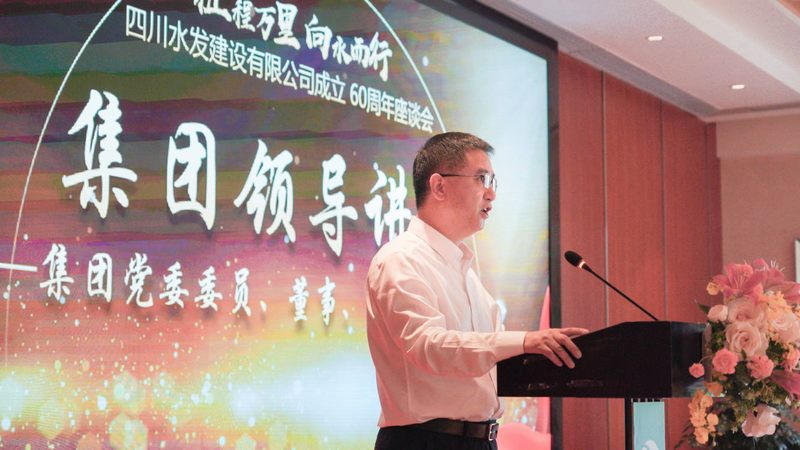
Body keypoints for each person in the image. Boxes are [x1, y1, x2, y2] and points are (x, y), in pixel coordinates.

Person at [366, 132, 588, 450]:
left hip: (481, 441)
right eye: (482, 179)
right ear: (439, 186)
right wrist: (525, 340)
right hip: (425, 442)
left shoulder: (467, 274)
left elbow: (486, 362)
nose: (491, 194)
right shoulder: (400, 259)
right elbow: (429, 347)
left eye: (493, 181)